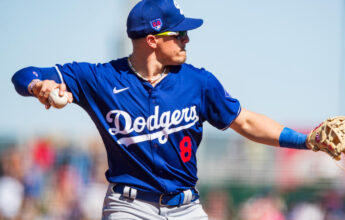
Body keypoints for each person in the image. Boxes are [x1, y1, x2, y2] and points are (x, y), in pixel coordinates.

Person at [11, 0, 310, 219]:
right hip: (129, 207)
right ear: (152, 40)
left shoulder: (198, 82)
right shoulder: (100, 78)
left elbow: (245, 122)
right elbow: (23, 75)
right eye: (178, 34)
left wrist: (306, 141)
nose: (187, 39)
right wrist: (41, 86)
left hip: (187, 208)